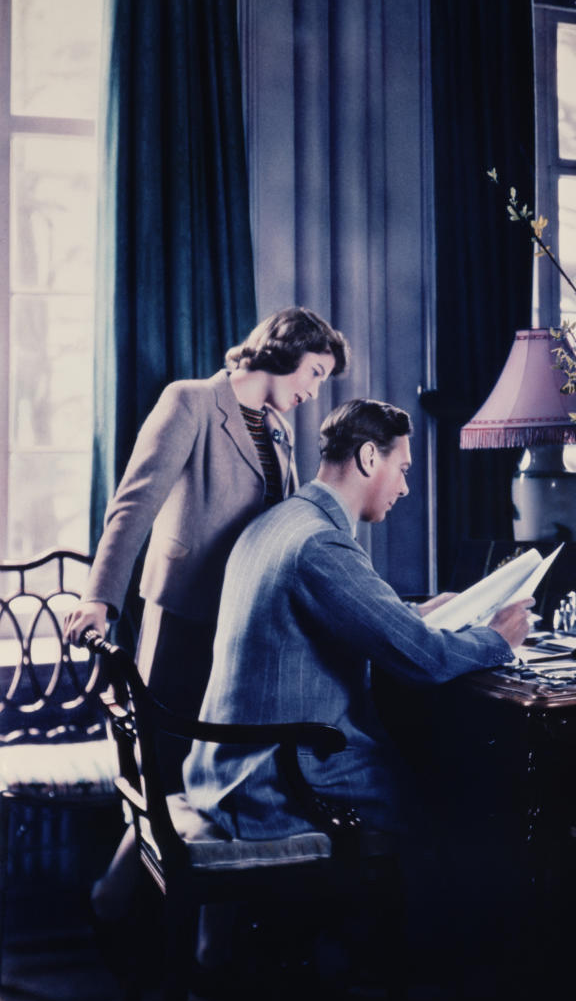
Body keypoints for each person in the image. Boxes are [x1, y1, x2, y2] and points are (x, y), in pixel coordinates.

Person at [65, 306, 350, 918]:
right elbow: (134, 503)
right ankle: (115, 907)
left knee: (214, 779)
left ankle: (203, 942)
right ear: (284, 351)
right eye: (315, 370)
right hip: (183, 617)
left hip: (243, 626)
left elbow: (283, 528)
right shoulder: (190, 401)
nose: (315, 389)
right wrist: (99, 596)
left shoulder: (279, 429)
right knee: (165, 772)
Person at [184, 397, 531, 840]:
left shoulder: (282, 521)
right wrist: (498, 639)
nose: (405, 488)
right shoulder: (321, 544)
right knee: (456, 803)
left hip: (227, 767)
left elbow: (342, 616)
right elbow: (425, 660)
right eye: (402, 468)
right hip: (275, 781)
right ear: (369, 457)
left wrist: (419, 613)